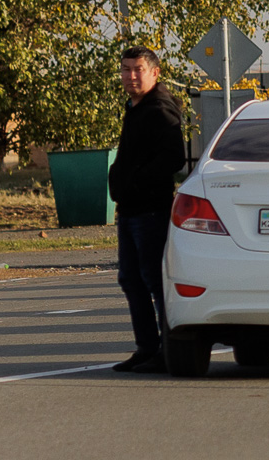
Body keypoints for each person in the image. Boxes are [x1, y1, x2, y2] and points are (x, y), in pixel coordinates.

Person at [108, 46, 187, 372]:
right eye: (126, 69)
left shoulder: (159, 109)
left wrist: (138, 181)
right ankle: (146, 347)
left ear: (155, 72)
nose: (131, 76)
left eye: (138, 69)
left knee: (154, 280)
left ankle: (169, 351)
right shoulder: (135, 106)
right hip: (130, 210)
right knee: (130, 279)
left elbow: (175, 158)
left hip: (150, 211)